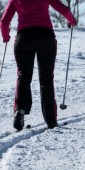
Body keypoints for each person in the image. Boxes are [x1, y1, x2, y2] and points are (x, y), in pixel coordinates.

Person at [0, 0, 76, 131]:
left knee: (23, 76)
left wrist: (5, 36)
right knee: (46, 79)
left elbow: (4, 21)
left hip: (24, 38)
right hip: (45, 37)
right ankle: (51, 120)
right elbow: (64, 9)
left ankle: (20, 110)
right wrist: (72, 21)